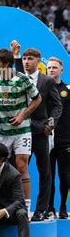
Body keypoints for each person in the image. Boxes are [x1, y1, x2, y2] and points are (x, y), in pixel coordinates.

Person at [0, 48, 42, 213]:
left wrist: (23, 116)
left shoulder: (22, 79)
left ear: (7, 64)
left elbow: (37, 98)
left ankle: (26, 207)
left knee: (21, 165)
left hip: (21, 130)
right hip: (1, 131)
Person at [22, 48, 63, 221]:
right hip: (20, 132)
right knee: (19, 171)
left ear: (38, 61)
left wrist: (50, 124)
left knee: (44, 172)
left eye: (30, 58)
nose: (26, 62)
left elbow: (57, 106)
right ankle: (20, 208)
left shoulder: (47, 81)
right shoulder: (18, 78)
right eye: (24, 58)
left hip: (40, 132)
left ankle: (40, 210)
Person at [47, 57, 69, 219]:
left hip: (65, 139)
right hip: (46, 138)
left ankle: (62, 207)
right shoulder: (42, 87)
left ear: (61, 70)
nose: (52, 70)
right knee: (48, 176)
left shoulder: (68, 89)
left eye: (55, 67)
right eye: (49, 67)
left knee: (65, 175)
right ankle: (49, 207)